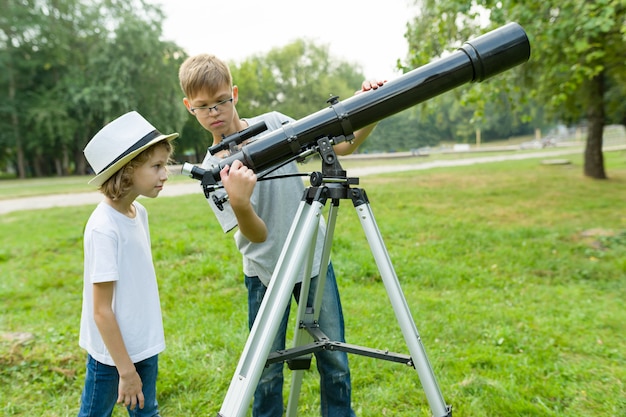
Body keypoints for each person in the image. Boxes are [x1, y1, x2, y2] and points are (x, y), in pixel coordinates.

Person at [179, 53, 384, 417]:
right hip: (264, 275)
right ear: (189, 107)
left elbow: (341, 145)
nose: (215, 112)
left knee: (334, 358)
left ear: (235, 93)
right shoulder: (211, 171)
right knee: (267, 369)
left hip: (313, 261)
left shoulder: (275, 124)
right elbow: (255, 236)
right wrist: (241, 203)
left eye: (222, 100)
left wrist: (368, 108)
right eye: (204, 106)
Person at [77, 111, 178, 417]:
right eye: (156, 166)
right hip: (111, 357)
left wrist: (139, 358)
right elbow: (101, 310)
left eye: (165, 165)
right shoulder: (103, 227)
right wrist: (126, 371)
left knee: (147, 412)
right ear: (127, 170)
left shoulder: (139, 213)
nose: (165, 174)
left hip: (143, 344)